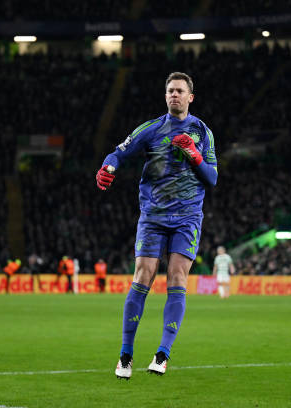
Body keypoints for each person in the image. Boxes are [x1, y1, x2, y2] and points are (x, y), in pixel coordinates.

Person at [96, 72, 217, 379]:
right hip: (153, 216)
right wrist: (108, 166)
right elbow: (118, 152)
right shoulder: (151, 129)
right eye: (170, 91)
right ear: (165, 97)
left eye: (180, 91)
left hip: (188, 217)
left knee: (177, 277)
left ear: (190, 97)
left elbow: (212, 178)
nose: (174, 94)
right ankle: (125, 356)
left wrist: (194, 155)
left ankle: (162, 354)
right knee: (143, 276)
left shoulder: (203, 132)